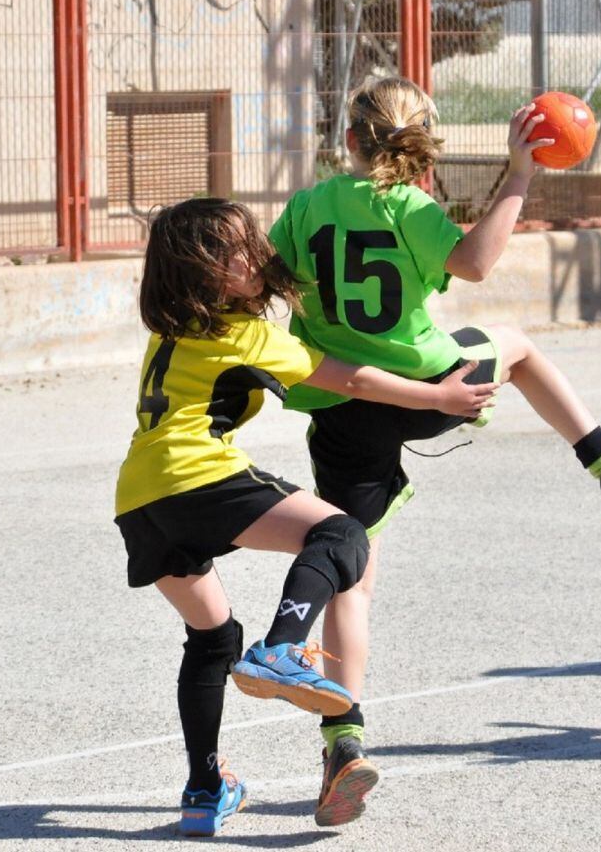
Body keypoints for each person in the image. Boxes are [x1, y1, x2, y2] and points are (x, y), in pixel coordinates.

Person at [266, 76, 601, 824]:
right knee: (515, 345)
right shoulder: (413, 208)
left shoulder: (311, 204)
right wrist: (520, 172)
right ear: (422, 148)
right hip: (433, 387)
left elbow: (277, 280)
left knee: (353, 578)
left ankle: (344, 742)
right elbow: (476, 263)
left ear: (348, 140)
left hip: (345, 405)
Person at [113, 197, 496, 836]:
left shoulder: (174, 329)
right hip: (196, 474)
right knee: (342, 533)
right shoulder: (247, 335)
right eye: (236, 251)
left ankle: (205, 791)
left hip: (139, 500)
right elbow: (352, 380)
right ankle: (283, 649)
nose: (256, 254)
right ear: (204, 273)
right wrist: (439, 396)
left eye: (251, 240)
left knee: (211, 642)